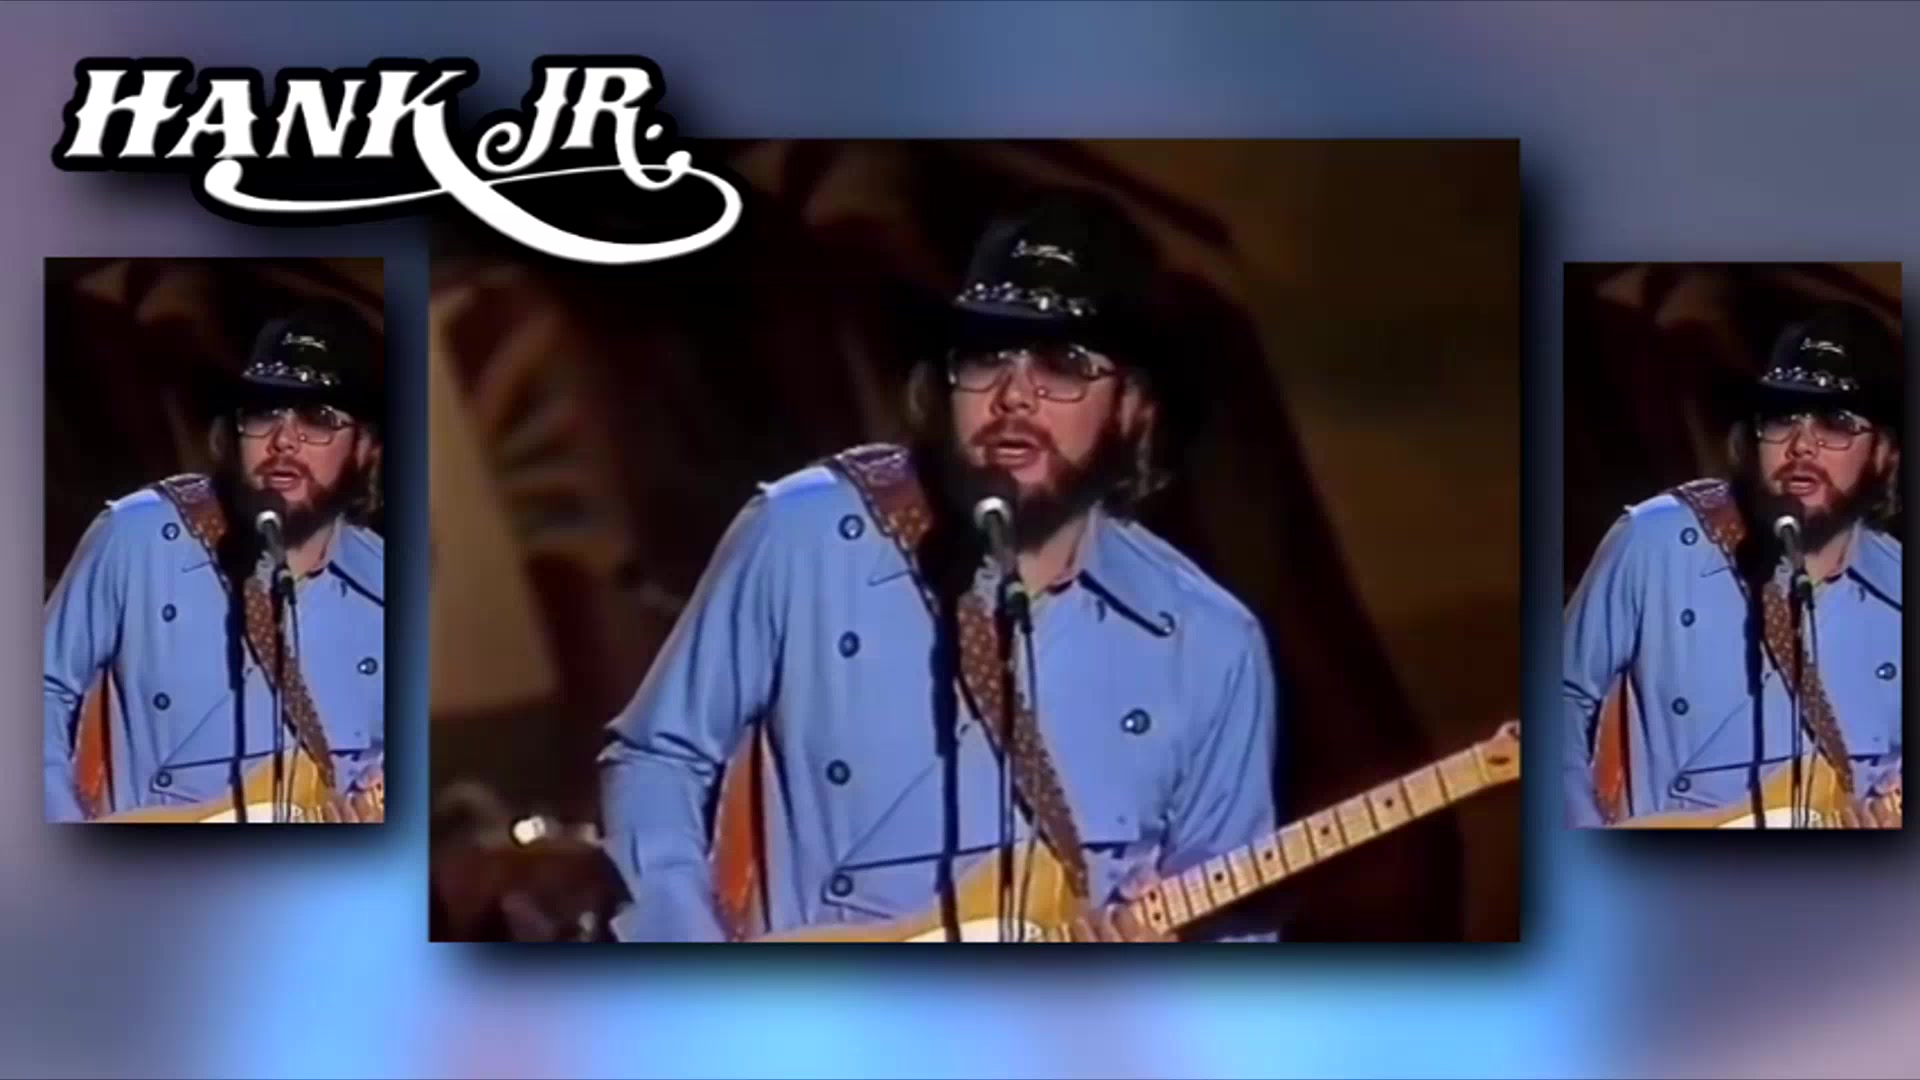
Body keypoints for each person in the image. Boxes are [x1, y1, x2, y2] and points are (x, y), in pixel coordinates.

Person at [600, 192, 1281, 940]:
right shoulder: (804, 536)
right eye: (986, 357)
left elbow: (1235, 938)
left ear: (1133, 407)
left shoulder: (1208, 643)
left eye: (1063, 366)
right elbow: (656, 756)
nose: (1014, 396)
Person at [44, 300, 387, 823]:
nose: (283, 440)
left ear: (365, 448)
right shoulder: (138, 537)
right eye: (264, 413)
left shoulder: (385, 585)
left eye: (318, 419)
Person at [1564, 303, 1902, 827]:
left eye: (1835, 423)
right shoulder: (1655, 542)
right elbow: (1559, 697)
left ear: (1883, 453)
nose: (1801, 445)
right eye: (1782, 418)